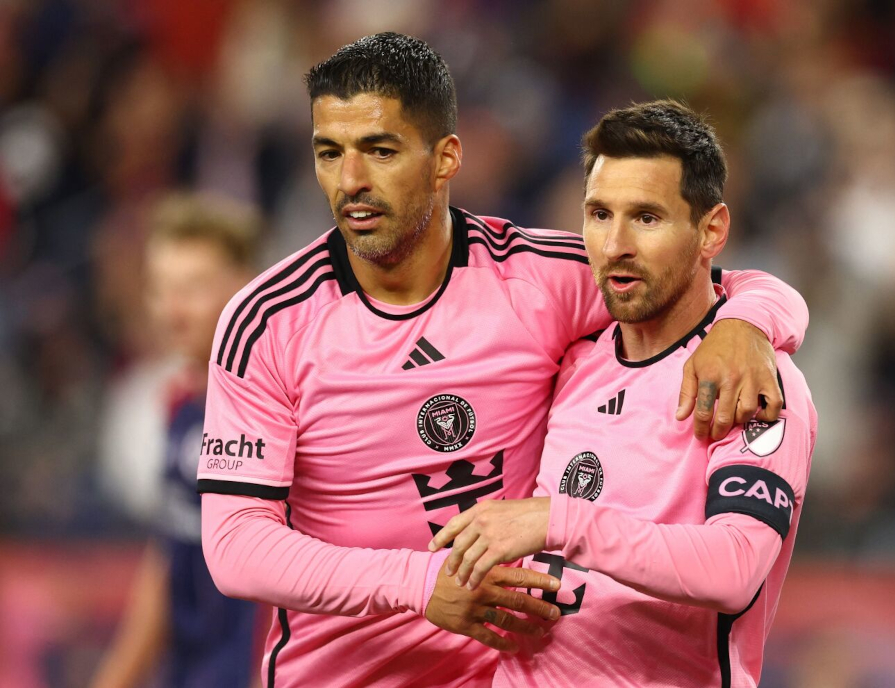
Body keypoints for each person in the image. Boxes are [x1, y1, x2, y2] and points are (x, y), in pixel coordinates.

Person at [197, 33, 809, 688]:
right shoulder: (267, 323)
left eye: (380, 150)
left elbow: (692, 279)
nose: (351, 182)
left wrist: (750, 321)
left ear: (444, 158)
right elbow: (235, 547)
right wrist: (420, 583)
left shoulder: (542, 279)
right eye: (329, 153)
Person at [429, 100, 817, 687]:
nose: (615, 245)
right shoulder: (572, 358)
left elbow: (734, 568)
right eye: (600, 214)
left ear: (711, 230)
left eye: (647, 218)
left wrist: (558, 522)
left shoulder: (751, 378)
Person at [91, 194, 263, 688]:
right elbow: (167, 553)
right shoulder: (179, 404)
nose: (172, 309)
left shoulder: (274, 410)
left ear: (246, 285)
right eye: (160, 288)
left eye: (192, 287)